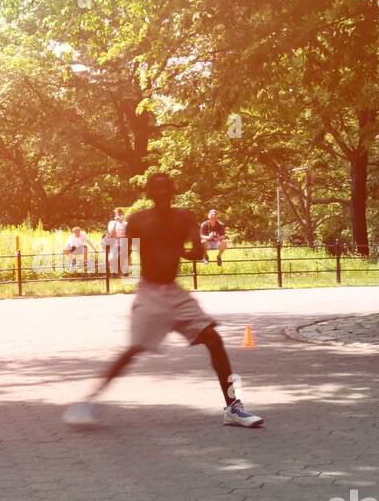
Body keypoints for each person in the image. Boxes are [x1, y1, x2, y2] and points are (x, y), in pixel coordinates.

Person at [63, 173, 264, 429]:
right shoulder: (138, 220)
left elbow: (197, 252)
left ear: (172, 191)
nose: (161, 193)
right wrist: (120, 262)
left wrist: (184, 251)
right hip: (149, 292)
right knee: (134, 349)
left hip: (175, 293)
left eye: (165, 188)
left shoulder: (184, 217)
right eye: (156, 189)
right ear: (149, 193)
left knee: (214, 339)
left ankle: (233, 407)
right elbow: (123, 255)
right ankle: (87, 402)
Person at [104, 208, 130, 275]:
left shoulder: (126, 224)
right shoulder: (112, 223)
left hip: (124, 243)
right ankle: (115, 270)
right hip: (114, 243)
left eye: (121, 214)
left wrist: (118, 236)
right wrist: (115, 223)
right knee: (111, 258)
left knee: (124, 257)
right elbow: (112, 234)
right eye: (118, 214)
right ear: (115, 216)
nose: (120, 216)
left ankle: (123, 271)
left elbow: (128, 235)